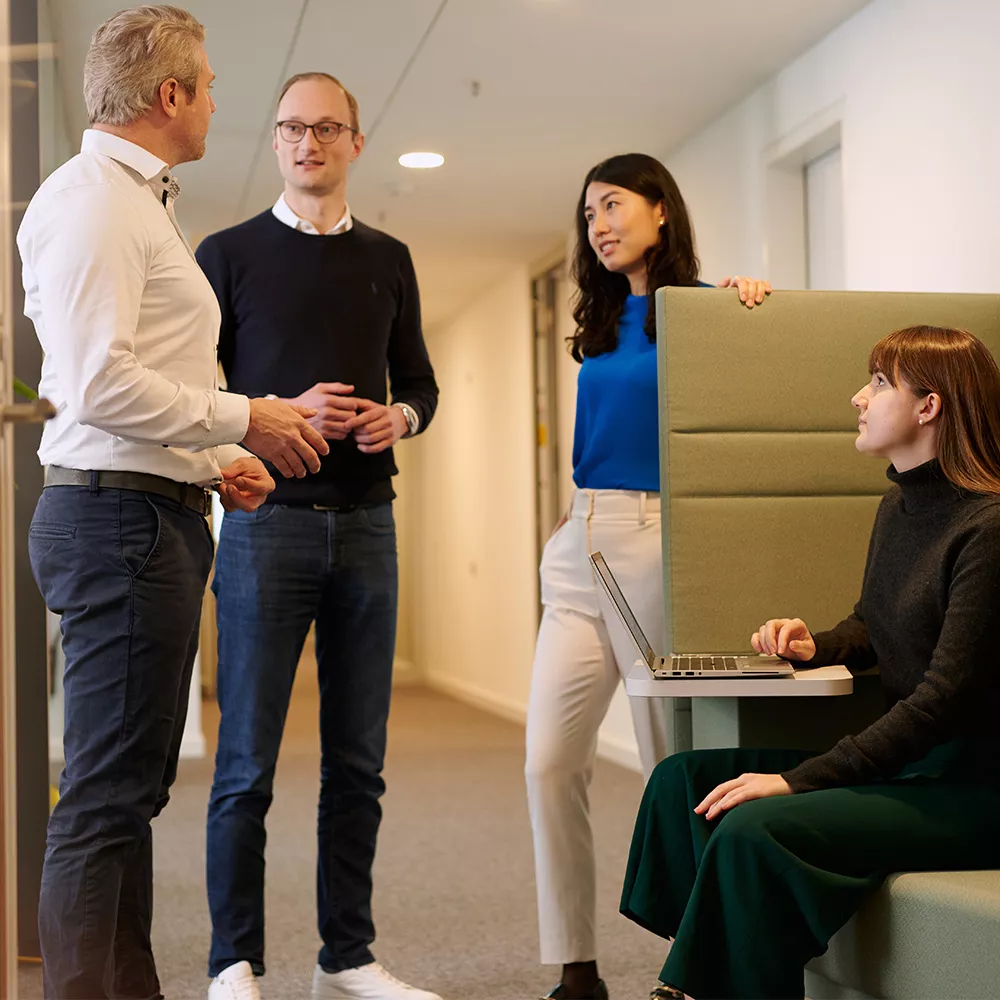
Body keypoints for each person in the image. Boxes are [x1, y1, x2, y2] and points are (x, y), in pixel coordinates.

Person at [16, 7, 329, 999]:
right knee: (106, 801)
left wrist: (208, 459)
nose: (213, 102)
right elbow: (96, 386)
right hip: (117, 528)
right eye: (209, 85)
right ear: (170, 96)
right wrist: (248, 415)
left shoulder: (130, 201)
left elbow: (124, 382)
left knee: (128, 795)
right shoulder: (97, 205)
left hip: (145, 510)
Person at [621, 325, 1000, 1000]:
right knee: (682, 785)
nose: (859, 397)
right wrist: (815, 644)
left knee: (753, 823)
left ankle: (702, 986)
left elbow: (942, 699)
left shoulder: (989, 529)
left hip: (975, 788)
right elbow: (874, 623)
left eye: (879, 383)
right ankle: (711, 979)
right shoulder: (901, 504)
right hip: (918, 769)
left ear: (929, 406)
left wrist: (800, 781)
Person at [195, 71, 440, 1000]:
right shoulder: (228, 255)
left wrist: (399, 421)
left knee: (357, 763)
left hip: (369, 528)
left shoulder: (390, 257)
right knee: (246, 763)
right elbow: (196, 396)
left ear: (355, 143)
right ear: (275, 140)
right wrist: (268, 414)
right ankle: (233, 961)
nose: (309, 143)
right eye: (294, 127)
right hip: (266, 533)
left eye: (328, 128)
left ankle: (347, 956)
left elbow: (419, 380)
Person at [524, 151, 770, 1000]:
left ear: (662, 211)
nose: (598, 223)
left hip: (660, 542)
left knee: (674, 768)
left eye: (615, 204)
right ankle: (576, 968)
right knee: (548, 762)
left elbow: (744, 418)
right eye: (588, 211)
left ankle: (700, 966)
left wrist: (746, 305)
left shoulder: (705, 312)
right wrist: (571, 514)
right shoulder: (595, 326)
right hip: (580, 544)